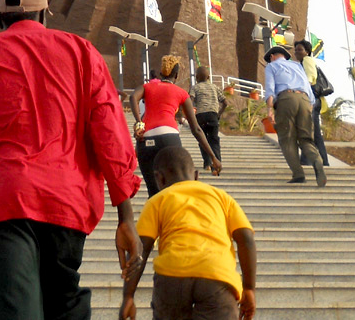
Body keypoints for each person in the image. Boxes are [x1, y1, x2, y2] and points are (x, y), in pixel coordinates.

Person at [0, 0, 142, 319]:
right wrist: (126, 216)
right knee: (63, 299)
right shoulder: (82, 51)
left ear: (0, 19)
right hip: (67, 198)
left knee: (14, 308)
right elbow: (109, 130)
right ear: (44, 15)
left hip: (7, 199)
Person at [120, 146, 255, 320]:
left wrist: (128, 296)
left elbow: (141, 249)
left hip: (171, 275)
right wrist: (249, 288)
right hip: (216, 274)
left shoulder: (158, 201)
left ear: (159, 178)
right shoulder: (222, 197)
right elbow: (246, 238)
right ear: (197, 176)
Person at [130, 56, 220, 196]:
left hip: (146, 139)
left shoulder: (147, 87)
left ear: (161, 73)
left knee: (153, 193)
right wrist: (213, 157)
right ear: (176, 76)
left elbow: (133, 97)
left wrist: (138, 122)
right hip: (169, 138)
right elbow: (196, 129)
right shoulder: (181, 93)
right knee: (174, 191)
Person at [263, 46, 325, 186]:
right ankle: (317, 161)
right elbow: (309, 89)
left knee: (287, 138)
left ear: (272, 57)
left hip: (286, 99)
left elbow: (270, 89)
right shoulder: (297, 65)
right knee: (306, 138)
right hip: (304, 100)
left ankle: (298, 174)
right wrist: (309, 105)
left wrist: (269, 110)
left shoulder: (272, 66)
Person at [292, 40, 328, 167]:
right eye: (296, 49)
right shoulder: (302, 62)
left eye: (300, 49)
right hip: (313, 99)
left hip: (310, 99)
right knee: (315, 132)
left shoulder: (307, 60)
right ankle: (324, 160)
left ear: (307, 51)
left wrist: (300, 90)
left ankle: (306, 160)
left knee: (307, 129)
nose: (297, 52)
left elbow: (310, 78)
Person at [189, 66, 225, 170]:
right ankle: (217, 166)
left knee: (202, 140)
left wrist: (190, 113)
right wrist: (219, 114)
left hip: (200, 116)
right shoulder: (214, 87)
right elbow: (225, 102)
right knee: (214, 140)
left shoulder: (195, 88)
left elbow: (190, 101)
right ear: (208, 77)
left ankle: (207, 164)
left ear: (196, 77)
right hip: (213, 116)